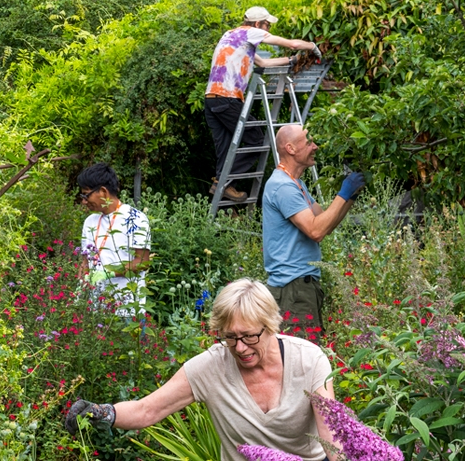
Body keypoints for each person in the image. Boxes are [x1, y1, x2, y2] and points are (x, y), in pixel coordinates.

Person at [64, 279, 339, 461]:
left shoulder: (309, 361)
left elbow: (333, 445)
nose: (240, 348)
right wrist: (101, 412)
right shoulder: (211, 367)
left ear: (271, 325)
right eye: (230, 337)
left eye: (249, 336)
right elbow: (148, 410)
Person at [205, 6, 320, 202]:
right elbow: (292, 43)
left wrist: (291, 61)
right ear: (257, 24)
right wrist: (312, 47)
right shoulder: (251, 32)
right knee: (258, 141)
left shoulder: (233, 36)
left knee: (225, 149)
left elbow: (264, 64)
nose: (268, 29)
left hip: (212, 100)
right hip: (227, 98)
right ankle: (223, 182)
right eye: (267, 25)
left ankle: (223, 184)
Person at [262, 124, 364, 343]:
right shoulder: (283, 187)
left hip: (301, 287)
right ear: (290, 148)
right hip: (293, 290)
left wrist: (350, 196)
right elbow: (316, 230)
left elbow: (325, 222)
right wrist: (343, 192)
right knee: (301, 359)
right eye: (308, 142)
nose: (315, 146)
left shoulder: (296, 184)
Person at [76, 164, 152, 320]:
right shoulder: (90, 221)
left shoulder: (135, 219)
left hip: (128, 310)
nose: (84, 202)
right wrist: (79, 290)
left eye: (86, 195)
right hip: (95, 309)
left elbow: (142, 262)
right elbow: (85, 262)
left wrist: (108, 273)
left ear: (103, 191)